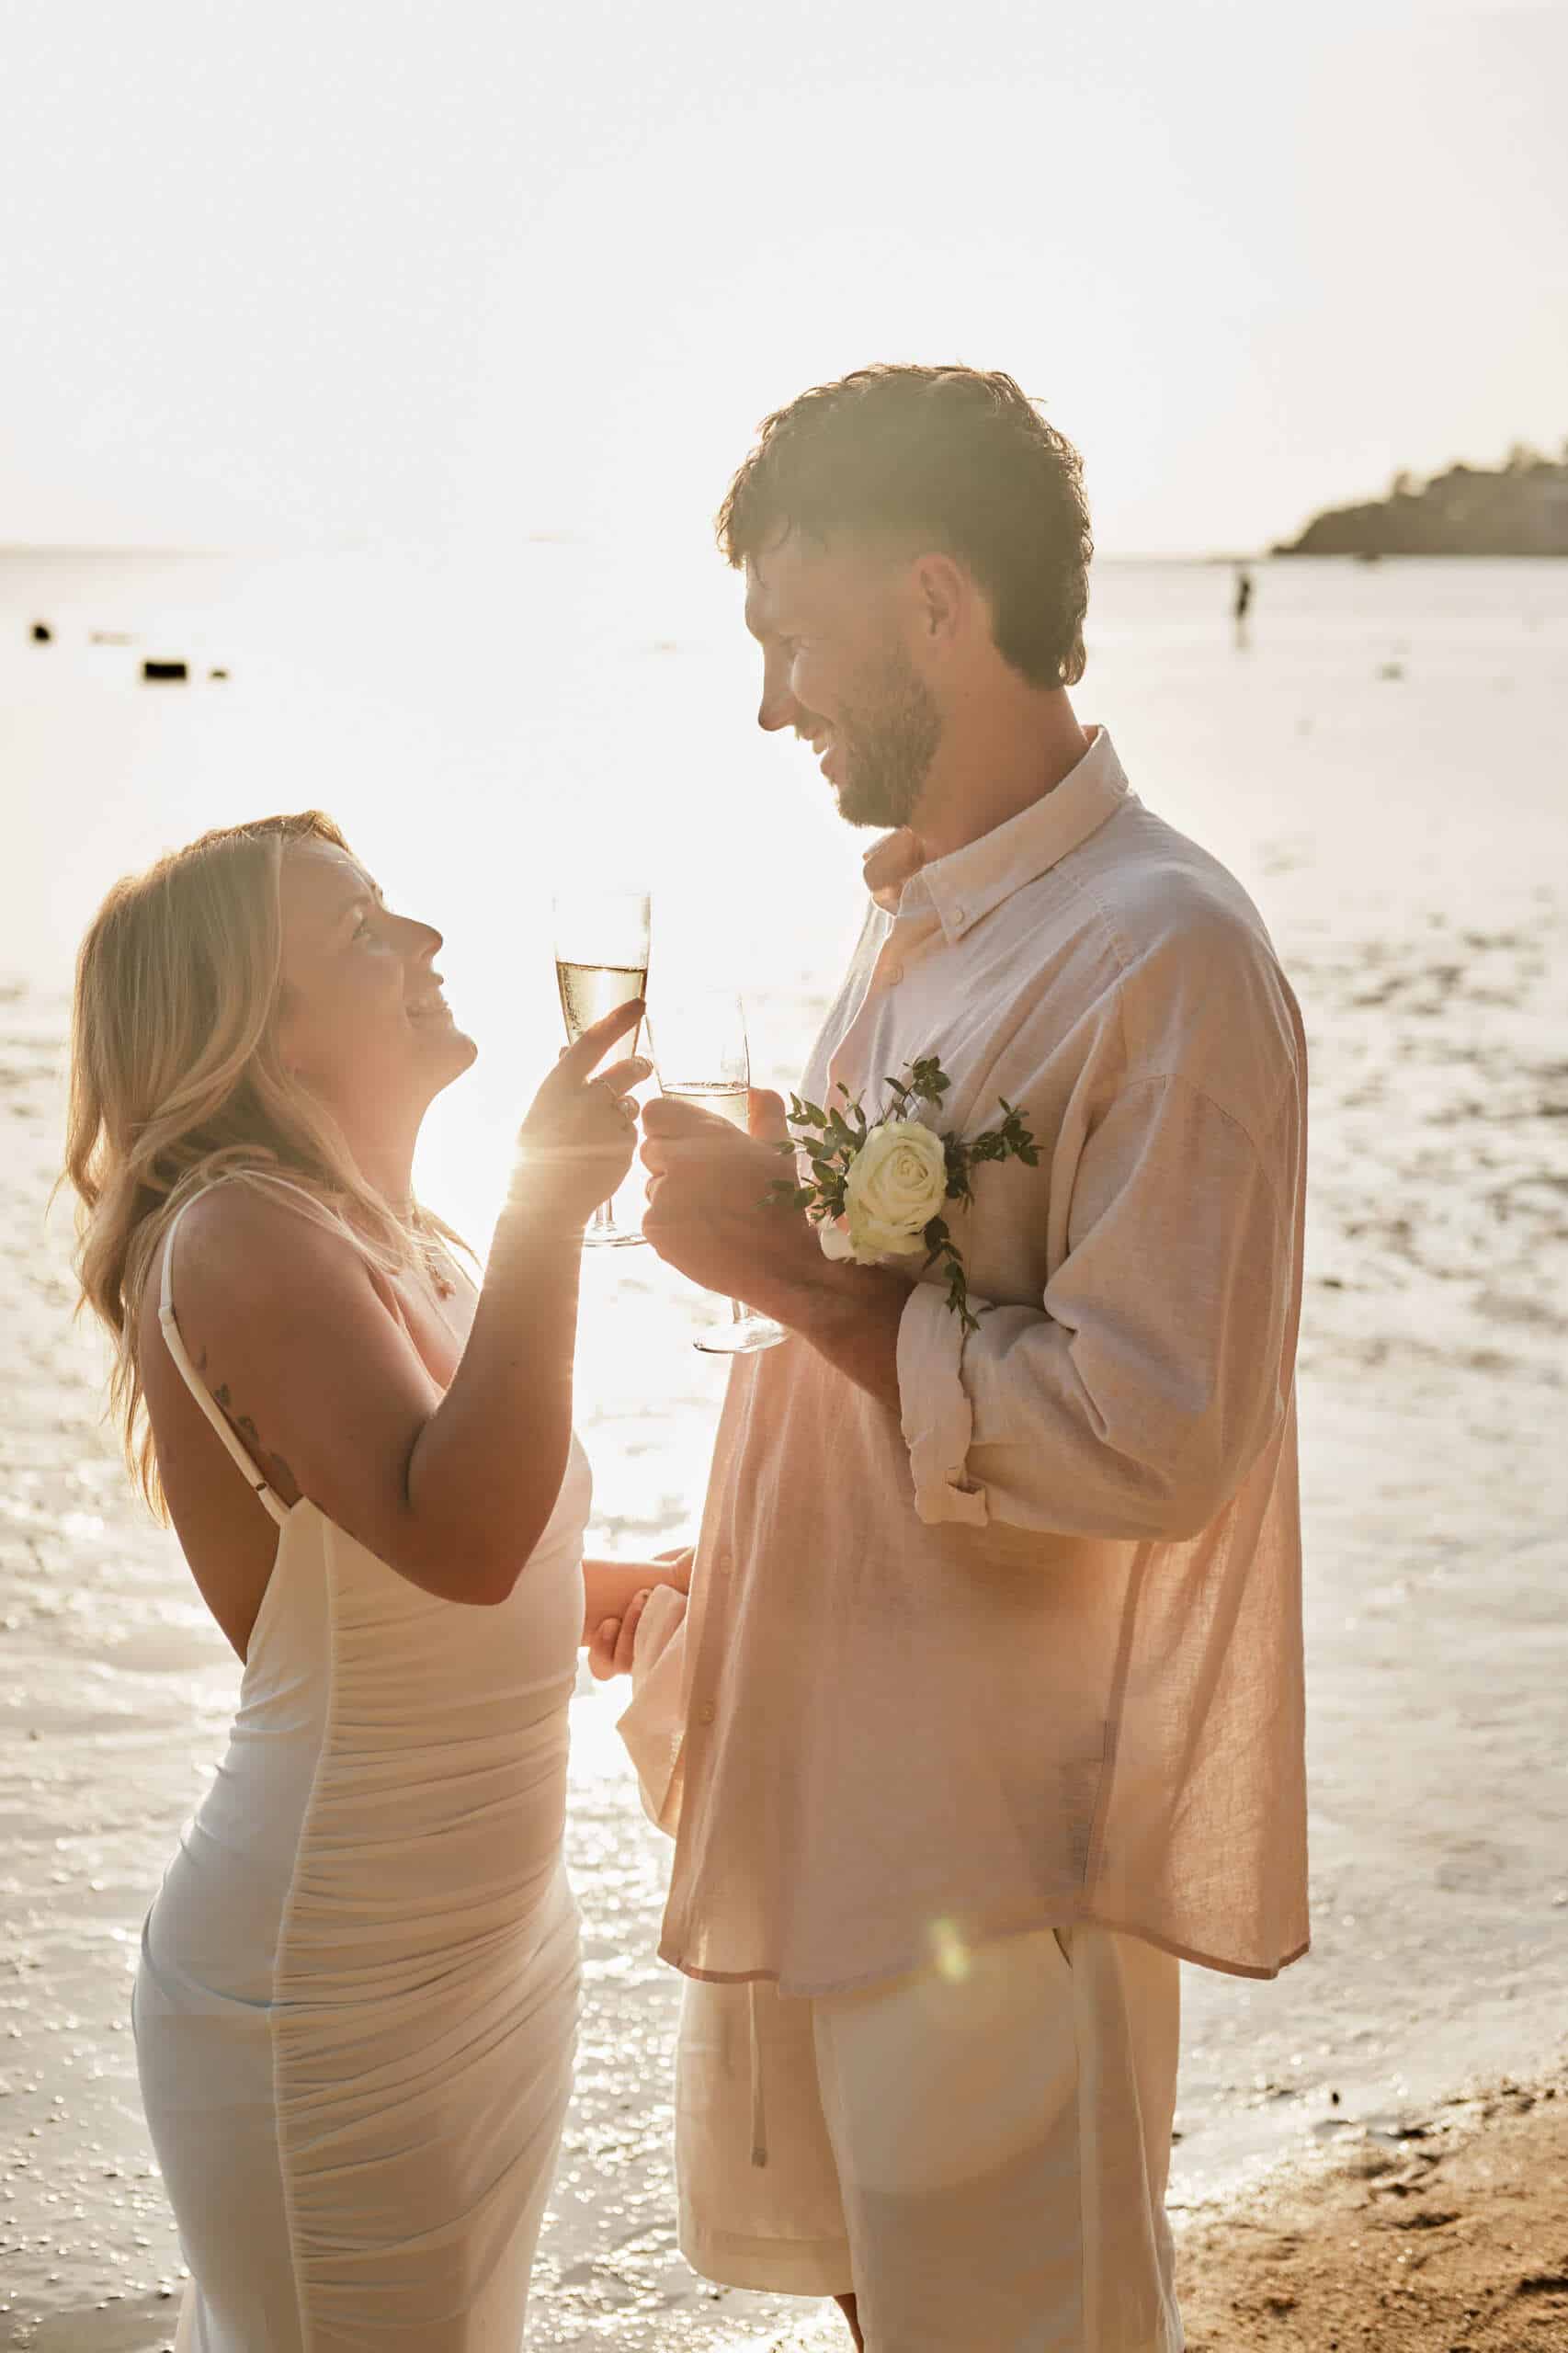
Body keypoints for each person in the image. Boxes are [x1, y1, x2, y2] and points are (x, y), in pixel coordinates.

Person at [599, 367, 1309, 2353]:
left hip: (993, 1841)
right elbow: (891, 1348)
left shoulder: (1162, 950)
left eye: (792, 640)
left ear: (934, 603)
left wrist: (797, 1274)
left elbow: (1160, 1435)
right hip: (825, 1786)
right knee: (875, 2309)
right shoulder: (922, 922)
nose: (771, 704)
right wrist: (718, 1560)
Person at [63, 810, 685, 2349]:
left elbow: (456, 1568)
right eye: (361, 931)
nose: (423, 945)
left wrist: (619, 1585)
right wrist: (553, 1201)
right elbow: (459, 1539)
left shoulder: (407, 1236)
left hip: (486, 1947)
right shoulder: (235, 1238)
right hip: (329, 1983)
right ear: (250, 1025)